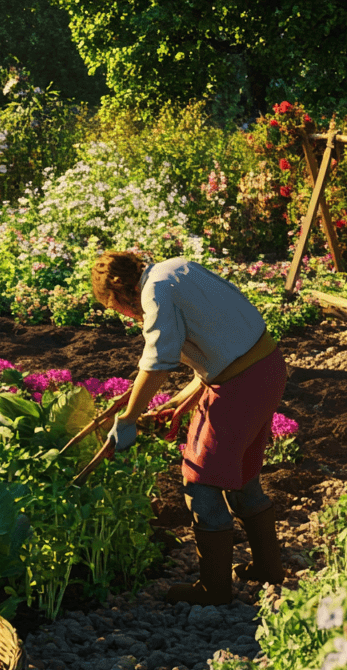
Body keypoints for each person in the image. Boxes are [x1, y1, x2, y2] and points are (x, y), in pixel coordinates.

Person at [91, 251, 288, 605]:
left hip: (240, 385)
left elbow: (158, 360)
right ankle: (267, 567)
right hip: (266, 367)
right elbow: (220, 345)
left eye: (113, 307)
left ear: (119, 293)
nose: (121, 314)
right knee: (244, 476)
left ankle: (214, 589)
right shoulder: (175, 268)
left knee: (200, 481)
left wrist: (128, 419)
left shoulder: (155, 292)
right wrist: (179, 402)